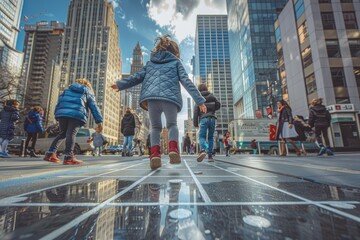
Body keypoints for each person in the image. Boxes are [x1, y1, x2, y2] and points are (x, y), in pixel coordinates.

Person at [111, 34, 206, 170]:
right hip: (170, 99)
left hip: (152, 100)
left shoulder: (150, 64)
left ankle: (155, 154)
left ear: (157, 49)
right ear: (175, 52)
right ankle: (173, 149)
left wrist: (120, 84)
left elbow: (136, 77)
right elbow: (186, 81)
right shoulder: (176, 62)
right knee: (172, 125)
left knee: (155, 128)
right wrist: (199, 100)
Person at [43, 79, 103, 164]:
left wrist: (57, 116)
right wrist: (99, 122)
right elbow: (94, 107)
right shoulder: (87, 91)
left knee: (62, 133)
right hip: (76, 114)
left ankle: (50, 154)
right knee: (71, 133)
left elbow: (59, 103)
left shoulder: (67, 91)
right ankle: (69, 156)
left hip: (62, 114)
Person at [193, 83, 221, 162]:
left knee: (202, 137)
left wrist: (195, 124)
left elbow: (196, 111)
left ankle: (205, 148)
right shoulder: (212, 96)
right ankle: (210, 156)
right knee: (210, 137)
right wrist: (213, 108)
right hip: (212, 118)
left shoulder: (198, 98)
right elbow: (218, 105)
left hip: (203, 118)